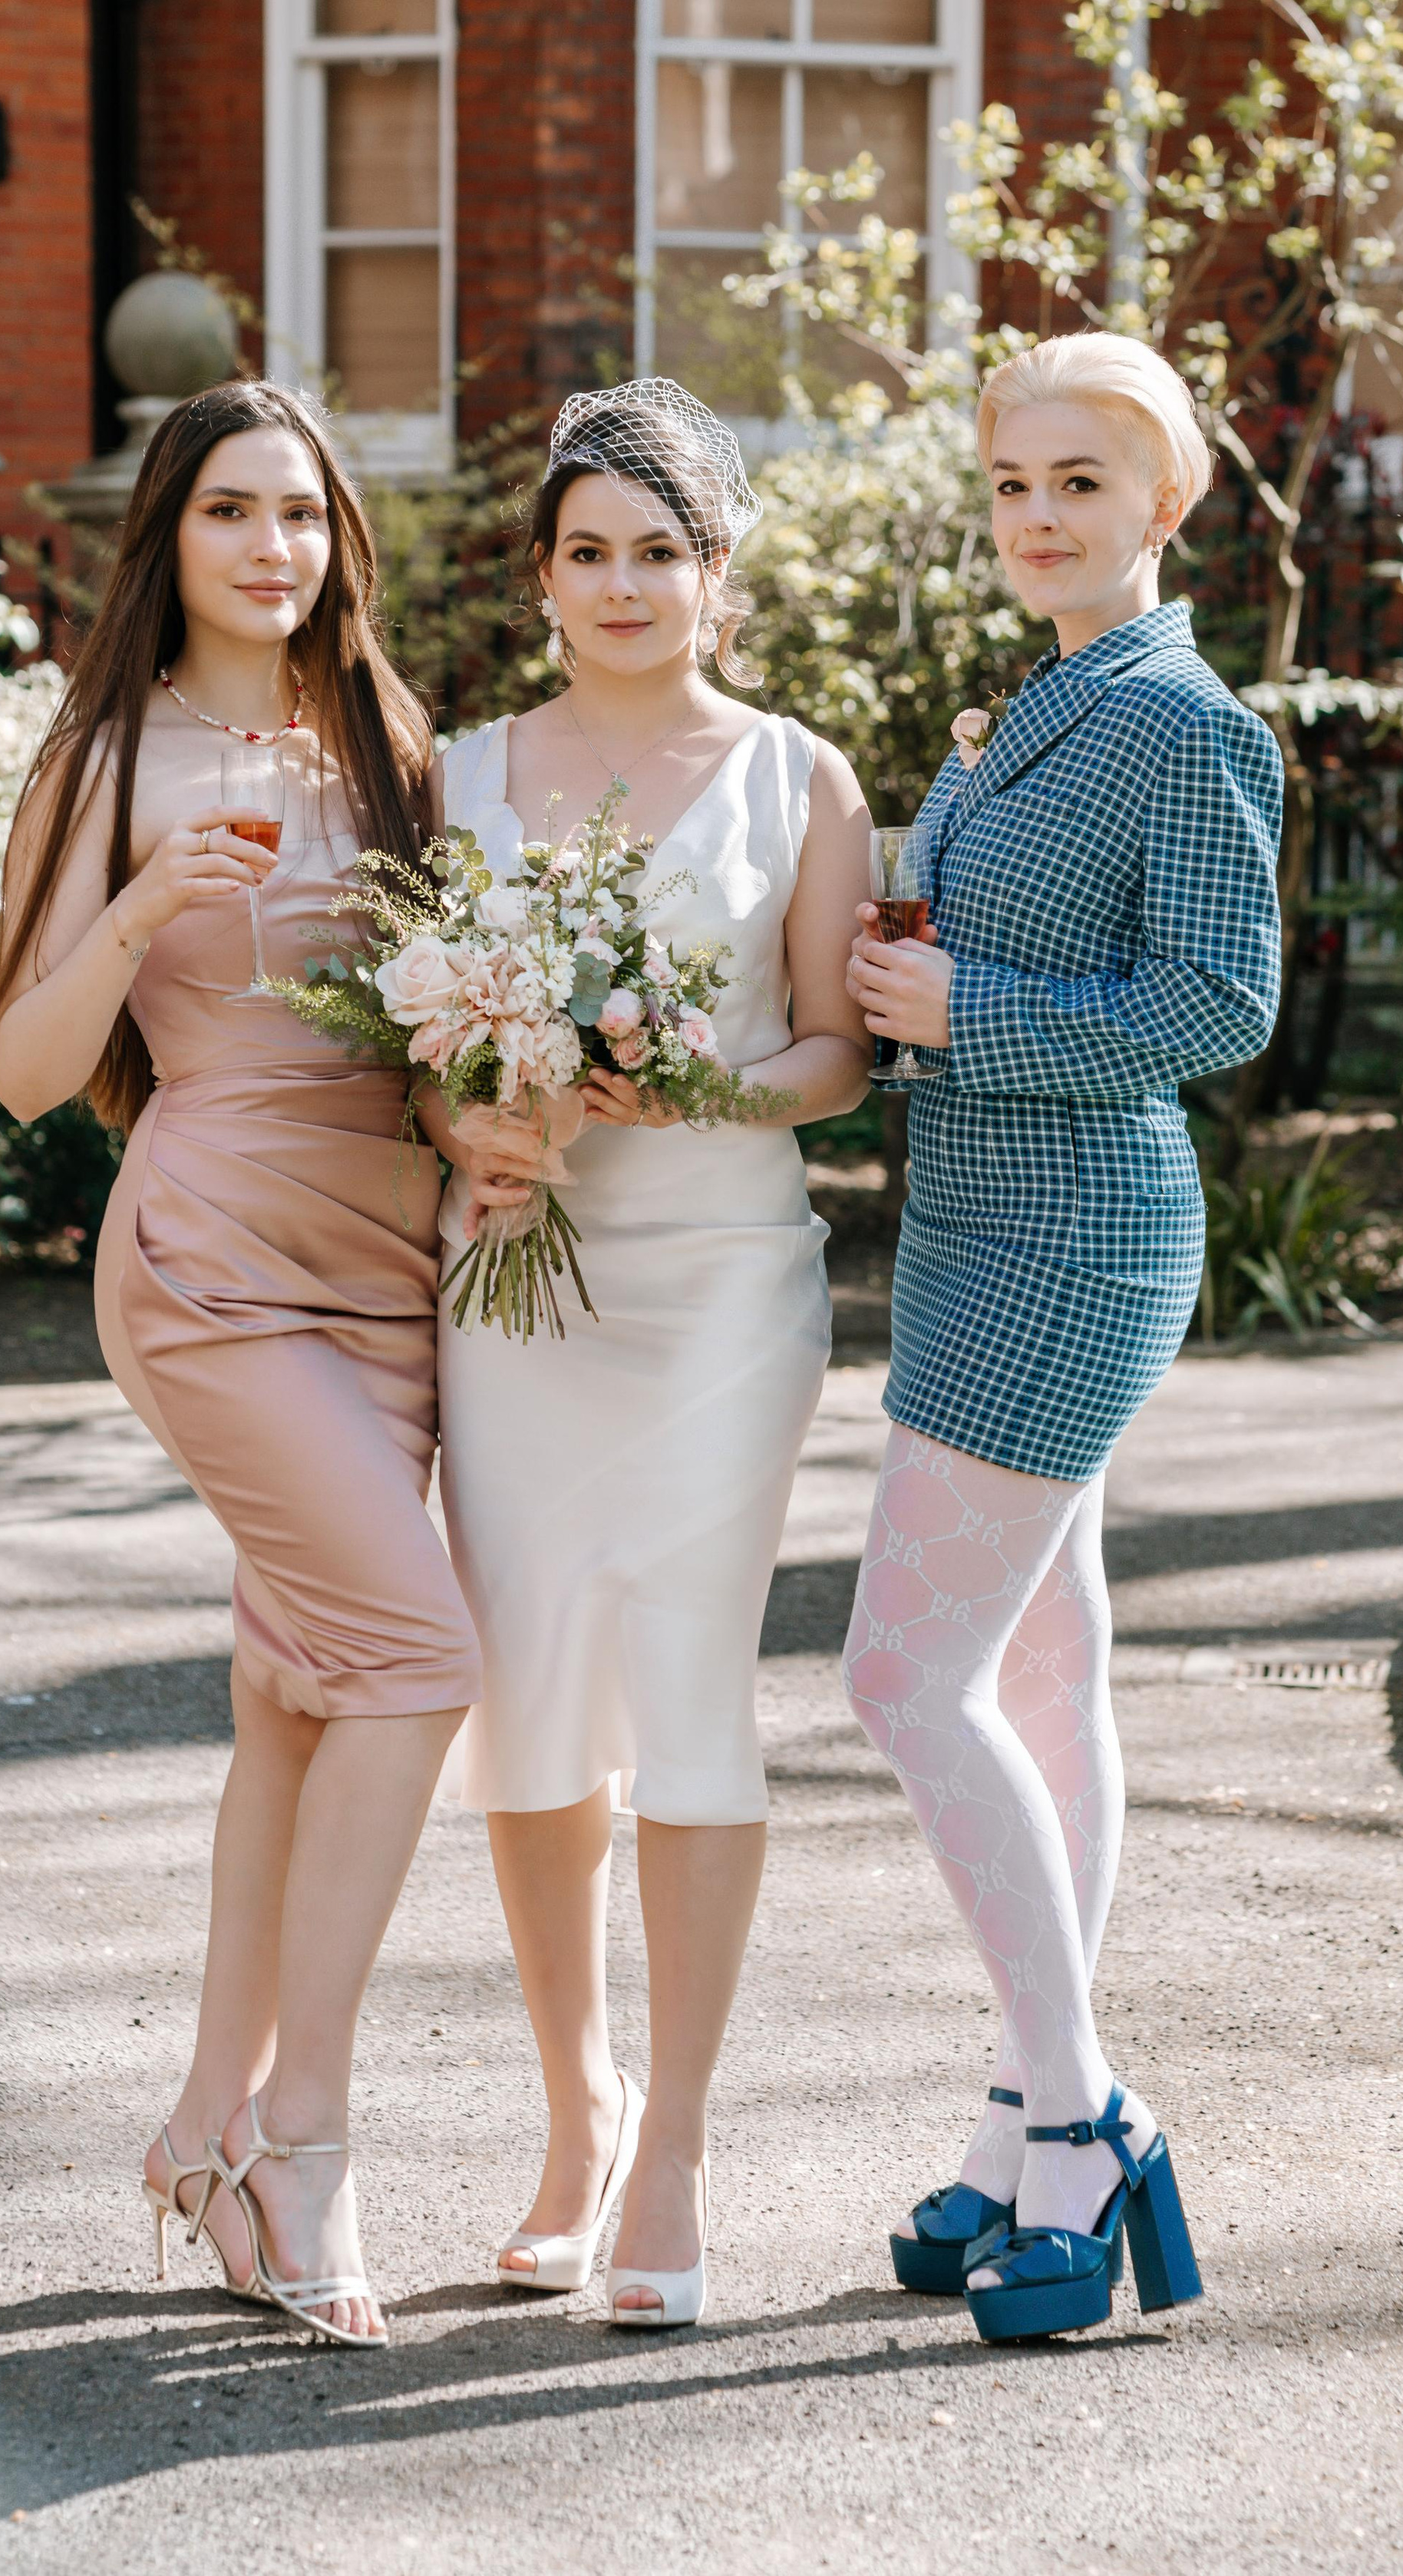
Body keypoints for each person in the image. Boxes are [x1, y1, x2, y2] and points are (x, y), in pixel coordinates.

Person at [0, 381, 480, 2348]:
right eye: (230, 514)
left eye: (300, 514)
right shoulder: (101, 756)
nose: (271, 548)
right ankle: (307, 2137)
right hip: (208, 1250)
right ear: (168, 542)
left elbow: (452, 1015)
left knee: (301, 1688)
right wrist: (137, 905)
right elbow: (31, 1068)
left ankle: (201, 2121)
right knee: (420, 1656)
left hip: (392, 1255)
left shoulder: (393, 739)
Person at [841, 332, 1283, 2344]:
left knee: (901, 1674)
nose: (1038, 515)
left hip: (1076, 1246)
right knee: (1046, 1661)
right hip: (969, 1226)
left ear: (1164, 505)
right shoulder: (1034, 704)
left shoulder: (1182, 718)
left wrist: (967, 1016)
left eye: (1082, 483)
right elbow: (1012, 939)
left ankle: (1091, 2123)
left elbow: (1220, 1003)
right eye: (1014, 481)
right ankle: (1030, 2109)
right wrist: (895, 955)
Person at [428, 379, 871, 2328]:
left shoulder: (801, 778)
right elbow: (418, 1043)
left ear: (716, 573)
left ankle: (677, 2143)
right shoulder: (454, 778)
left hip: (715, 1291)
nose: (623, 583)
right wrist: (481, 1124)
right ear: (541, 574)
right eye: (588, 549)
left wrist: (675, 1089)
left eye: (659, 550)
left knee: (685, 1675)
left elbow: (832, 1056)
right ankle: (574, 2109)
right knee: (529, 1694)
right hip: (517, 1285)